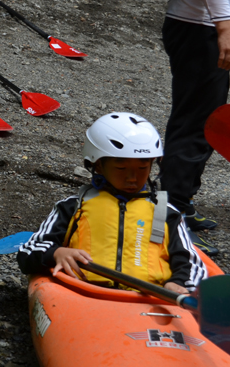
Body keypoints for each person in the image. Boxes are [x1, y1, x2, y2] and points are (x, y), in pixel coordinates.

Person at [17, 113, 207, 294]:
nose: (133, 178)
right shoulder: (73, 207)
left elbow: (190, 262)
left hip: (149, 298)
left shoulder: (166, 213)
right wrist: (56, 253)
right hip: (81, 293)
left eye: (143, 168)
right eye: (121, 168)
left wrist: (178, 283)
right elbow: (28, 252)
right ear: (98, 165)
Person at [160, 0, 230, 255]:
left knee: (204, 113)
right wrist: (224, 25)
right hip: (199, 25)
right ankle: (172, 215)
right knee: (197, 120)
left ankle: (180, 201)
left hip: (209, 23)